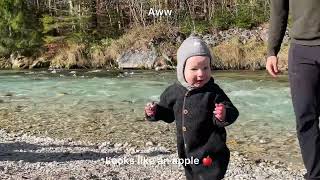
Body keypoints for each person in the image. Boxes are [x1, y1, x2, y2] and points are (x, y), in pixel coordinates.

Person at [144, 36, 239, 180]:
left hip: (211, 152)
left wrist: (223, 114)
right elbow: (168, 113)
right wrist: (155, 111)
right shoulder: (174, 91)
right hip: (187, 151)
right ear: (182, 69)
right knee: (192, 175)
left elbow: (232, 111)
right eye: (194, 69)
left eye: (205, 68)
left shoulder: (213, 92)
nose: (201, 73)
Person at [266, 0, 320, 179]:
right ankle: (315, 174)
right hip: (302, 51)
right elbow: (278, 11)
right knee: (305, 116)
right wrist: (272, 51)